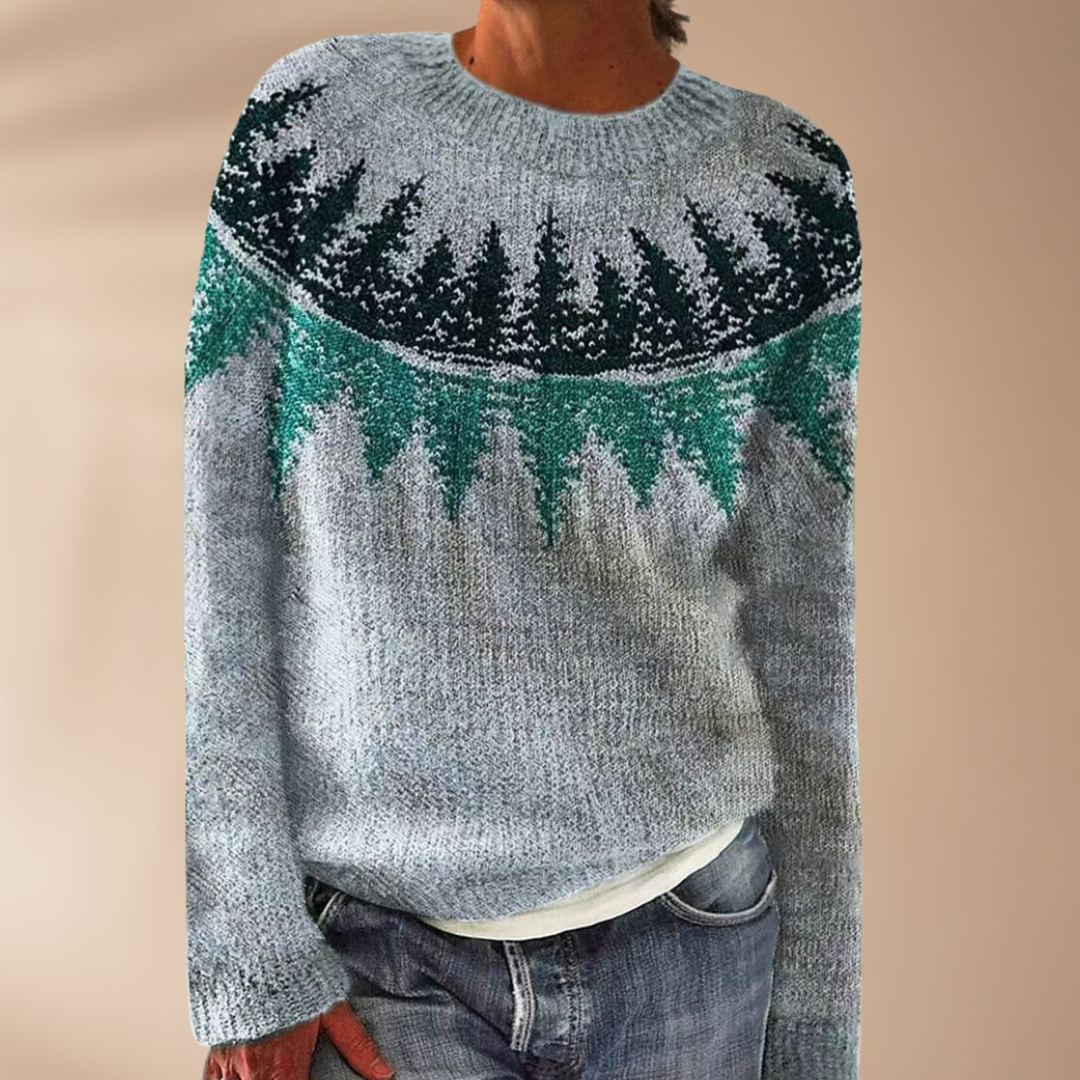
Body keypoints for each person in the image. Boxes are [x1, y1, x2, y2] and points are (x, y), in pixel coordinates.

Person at [183, 2, 864, 1079]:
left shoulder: (782, 190)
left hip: (698, 950)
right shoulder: (315, 126)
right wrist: (249, 954)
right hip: (379, 961)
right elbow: (224, 560)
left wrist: (816, 1043)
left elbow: (805, 644)